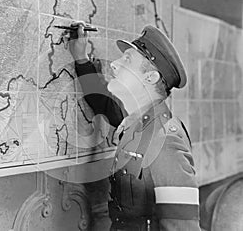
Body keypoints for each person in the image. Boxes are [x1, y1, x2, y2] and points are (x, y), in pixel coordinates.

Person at [66, 21, 201, 231]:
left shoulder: (164, 142)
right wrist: (81, 59)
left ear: (150, 77)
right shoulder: (136, 122)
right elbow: (104, 103)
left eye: (127, 60)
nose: (114, 64)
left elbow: (182, 228)